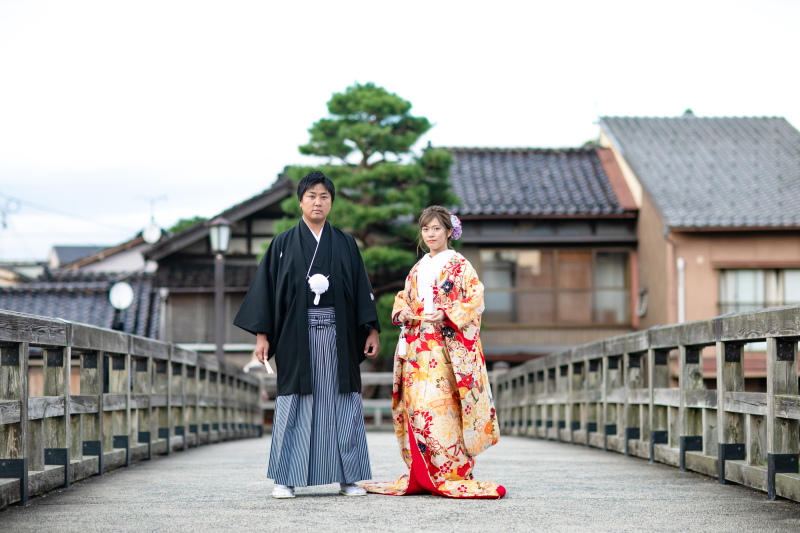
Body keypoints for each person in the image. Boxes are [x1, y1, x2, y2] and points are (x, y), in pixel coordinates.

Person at [233, 170, 380, 499]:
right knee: (296, 401)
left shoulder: (344, 242)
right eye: (311, 196)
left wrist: (371, 328)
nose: (318, 202)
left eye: (324, 196)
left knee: (342, 402)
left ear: (331, 203)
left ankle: (349, 478)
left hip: (338, 335)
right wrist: (262, 337)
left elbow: (360, 289)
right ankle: (286, 477)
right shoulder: (282, 243)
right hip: (296, 336)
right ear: (300, 202)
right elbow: (267, 294)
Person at [361, 206, 505, 499]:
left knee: (443, 407)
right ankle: (422, 471)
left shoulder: (460, 265)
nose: (430, 234)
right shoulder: (417, 267)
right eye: (426, 229)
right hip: (417, 346)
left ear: (450, 232)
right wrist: (401, 311)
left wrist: (448, 313)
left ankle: (448, 471)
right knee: (417, 406)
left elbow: (476, 300)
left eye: (437, 229)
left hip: (445, 348)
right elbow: (404, 298)